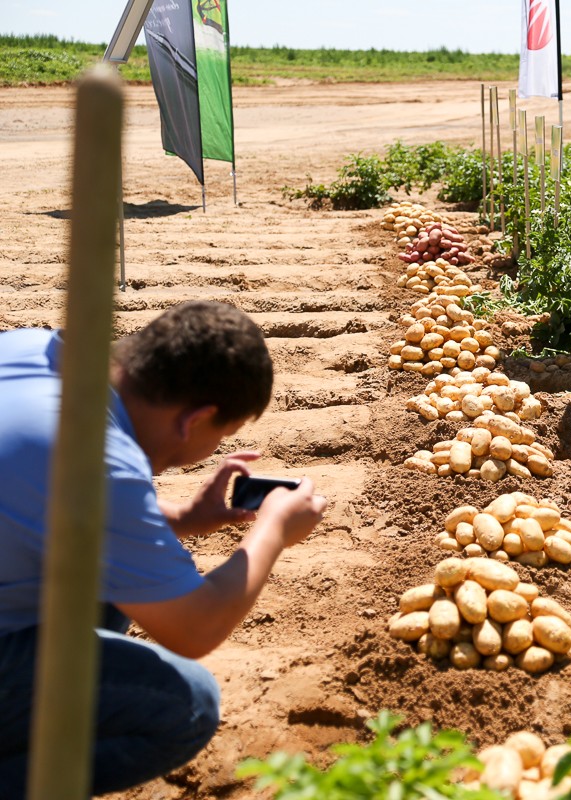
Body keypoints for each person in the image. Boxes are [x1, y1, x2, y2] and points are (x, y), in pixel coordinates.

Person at [0, 300, 326, 796]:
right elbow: (195, 628)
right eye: (224, 435)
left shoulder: (31, 351)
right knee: (187, 704)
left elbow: (41, 497)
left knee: (116, 588)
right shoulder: (95, 458)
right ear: (196, 419)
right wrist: (273, 530)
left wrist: (183, 518)